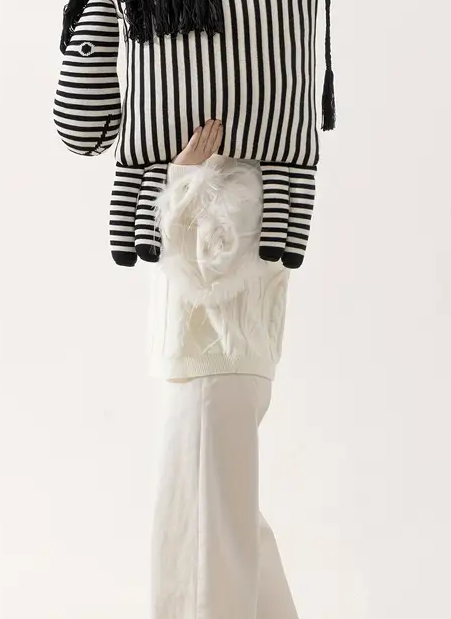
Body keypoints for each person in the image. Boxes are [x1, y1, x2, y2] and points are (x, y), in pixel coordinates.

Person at [149, 118, 299, 619]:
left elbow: (205, 272)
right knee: (232, 539)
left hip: (214, 369)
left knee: (201, 554)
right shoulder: (263, 177)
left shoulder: (240, 178)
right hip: (214, 366)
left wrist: (184, 179)